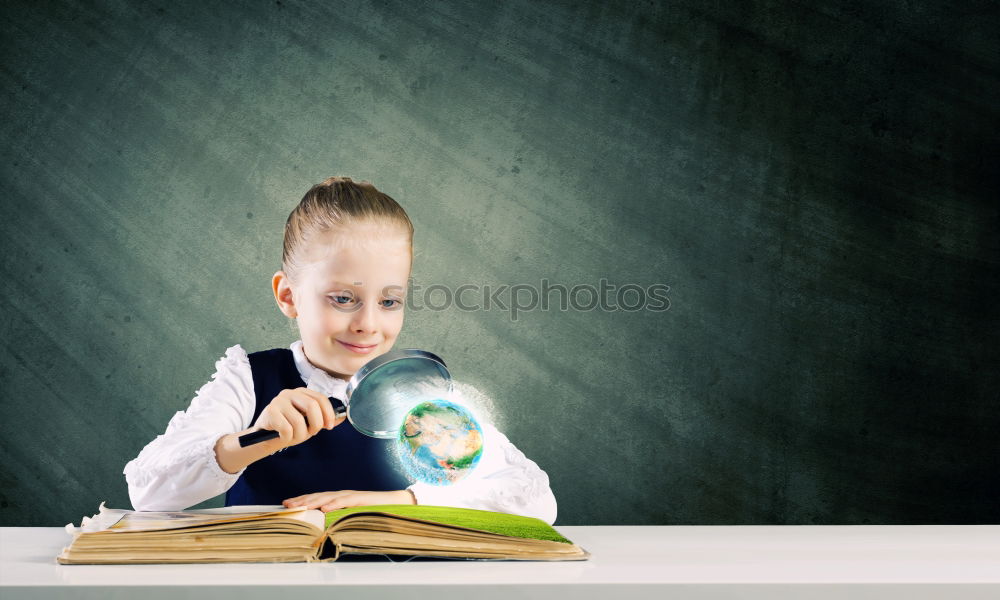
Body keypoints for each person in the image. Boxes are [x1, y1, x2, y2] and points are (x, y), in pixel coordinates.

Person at [124, 177, 557, 524]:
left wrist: (398, 501)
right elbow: (148, 492)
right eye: (343, 299)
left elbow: (534, 498)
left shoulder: (421, 396)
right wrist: (256, 438)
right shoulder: (247, 380)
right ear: (289, 295)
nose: (368, 324)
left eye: (389, 301)